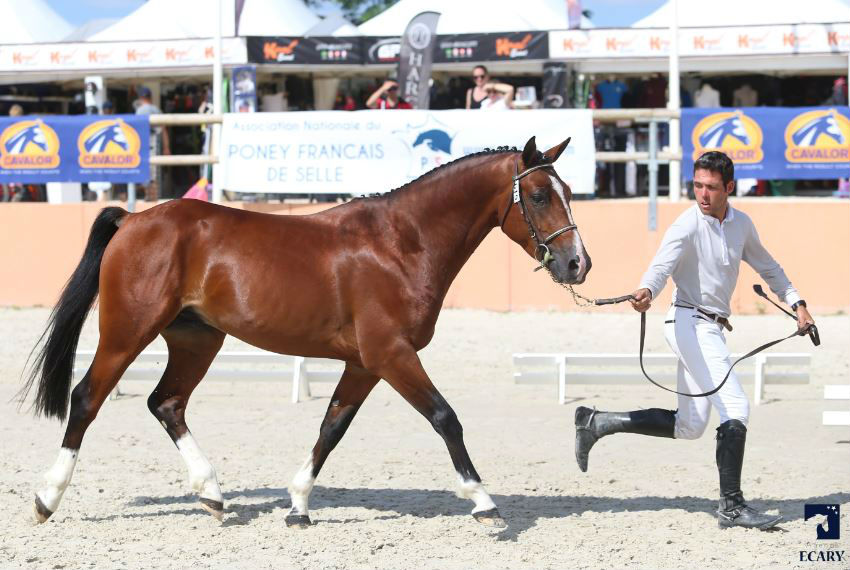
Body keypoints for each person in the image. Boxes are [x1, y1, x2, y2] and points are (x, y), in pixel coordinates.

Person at [574, 151, 815, 531]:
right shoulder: (686, 224)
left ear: (729, 188)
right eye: (697, 185)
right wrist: (646, 291)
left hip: (711, 328)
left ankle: (597, 422)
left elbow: (769, 267)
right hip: (688, 322)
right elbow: (660, 266)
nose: (702, 194)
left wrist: (797, 303)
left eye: (711, 187)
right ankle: (732, 507)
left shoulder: (742, 225)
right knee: (735, 405)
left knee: (690, 426)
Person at [134, 86, 170, 201]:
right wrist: (166, 147)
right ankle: (153, 198)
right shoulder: (156, 109)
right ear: (150, 97)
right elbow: (164, 129)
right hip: (156, 143)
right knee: (154, 174)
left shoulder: (140, 110)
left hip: (144, 144)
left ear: (141, 98)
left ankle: (149, 197)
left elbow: (136, 131)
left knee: (146, 173)